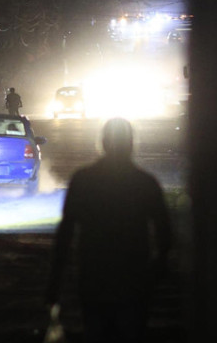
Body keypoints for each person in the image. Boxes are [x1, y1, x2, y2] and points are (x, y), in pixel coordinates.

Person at [46, 118, 173, 343]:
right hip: (133, 276)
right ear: (132, 143)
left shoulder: (84, 180)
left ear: (102, 143)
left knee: (96, 331)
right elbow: (165, 234)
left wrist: (55, 281)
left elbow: (66, 232)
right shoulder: (145, 183)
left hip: (94, 273)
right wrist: (156, 271)